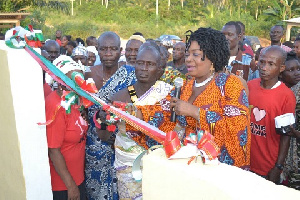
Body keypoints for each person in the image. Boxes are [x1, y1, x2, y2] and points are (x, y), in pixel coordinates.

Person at [169, 27, 251, 168]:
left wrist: (194, 112)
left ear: (212, 58)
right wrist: (135, 113)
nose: (188, 59)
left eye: (195, 54)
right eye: (187, 54)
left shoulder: (230, 85)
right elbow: (163, 111)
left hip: (217, 171)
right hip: (187, 165)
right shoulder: (186, 84)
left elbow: (237, 133)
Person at [108, 46, 167, 200]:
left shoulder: (168, 95)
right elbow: (104, 134)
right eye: (140, 63)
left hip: (159, 169)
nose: (144, 68)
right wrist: (103, 120)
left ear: (160, 69)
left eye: (150, 64)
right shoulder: (120, 97)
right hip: (127, 171)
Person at [85, 31, 136, 200]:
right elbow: (83, 108)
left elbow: (135, 103)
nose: (108, 53)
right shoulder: (88, 73)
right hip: (94, 145)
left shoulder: (130, 74)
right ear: (97, 50)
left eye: (113, 49)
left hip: (119, 142)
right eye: (104, 49)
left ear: (120, 50)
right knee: (95, 190)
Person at [248, 46, 296, 183]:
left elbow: (286, 135)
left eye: (271, 64)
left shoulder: (286, 96)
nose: (264, 67)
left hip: (267, 165)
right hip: (245, 161)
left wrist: (278, 167)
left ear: (281, 68)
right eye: (262, 62)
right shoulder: (250, 86)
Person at [46, 55, 88, 200]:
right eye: (73, 80)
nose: (78, 84)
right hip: (64, 185)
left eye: (80, 79)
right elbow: (53, 150)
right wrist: (71, 186)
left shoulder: (74, 99)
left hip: (78, 177)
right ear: (59, 81)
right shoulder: (56, 106)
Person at [280, 51, 300, 189]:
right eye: (291, 70)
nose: (297, 73)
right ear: (281, 73)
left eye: (298, 68)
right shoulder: (280, 93)